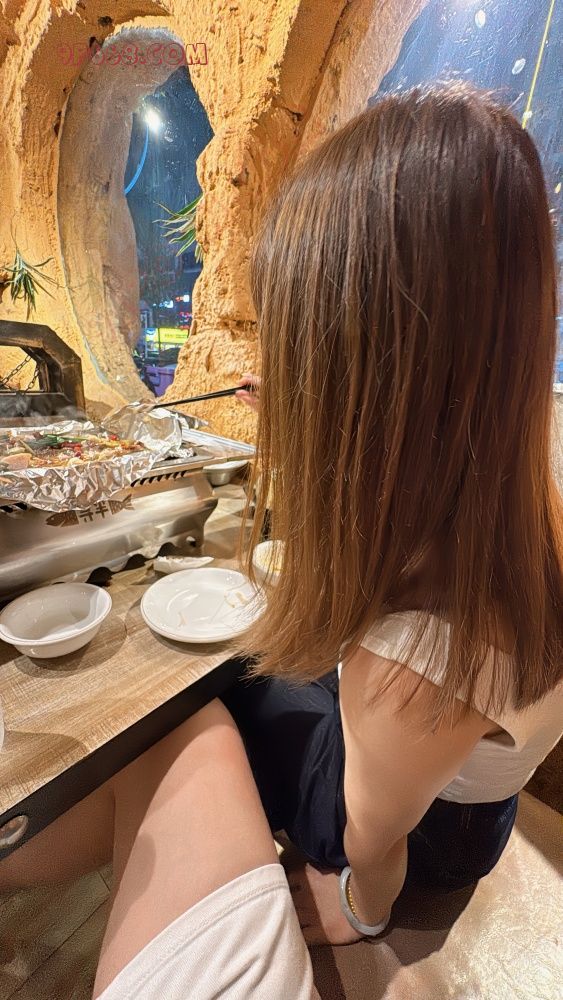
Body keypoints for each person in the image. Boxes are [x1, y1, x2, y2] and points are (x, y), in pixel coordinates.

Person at [226, 81, 563, 946]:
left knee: (229, 690)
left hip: (427, 843)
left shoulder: (409, 665)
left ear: (363, 395)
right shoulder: (515, 503)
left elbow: (371, 847)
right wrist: (304, 409)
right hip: (459, 792)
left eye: (298, 355)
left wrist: (354, 915)